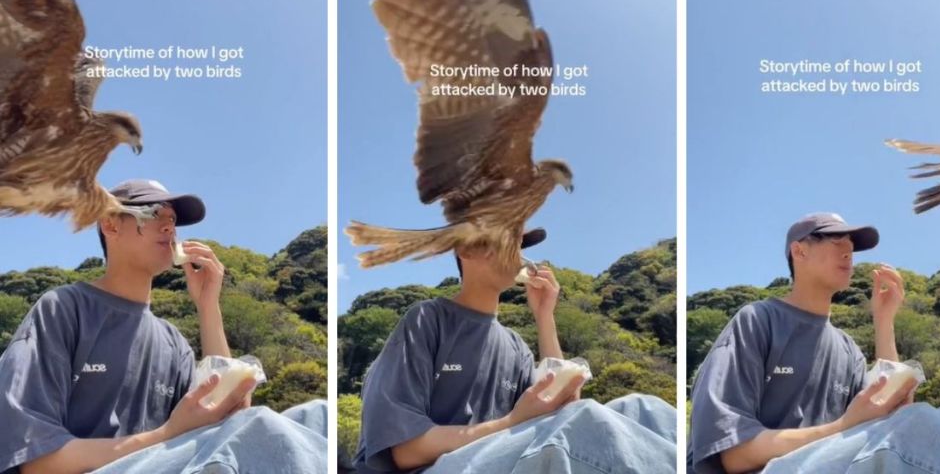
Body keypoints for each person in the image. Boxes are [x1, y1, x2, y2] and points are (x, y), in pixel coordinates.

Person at [0, 179, 327, 474]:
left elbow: (229, 416)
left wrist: (208, 306)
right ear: (111, 225)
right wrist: (166, 435)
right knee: (261, 427)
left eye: (172, 221)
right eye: (155, 214)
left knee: (318, 416)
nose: (169, 228)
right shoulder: (63, 309)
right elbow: (37, 462)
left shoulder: (173, 342)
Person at [687, 212, 940, 473]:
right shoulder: (758, 320)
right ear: (799, 251)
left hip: (837, 460)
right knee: (915, 426)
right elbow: (733, 453)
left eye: (851, 243)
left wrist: (884, 320)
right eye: (834, 240)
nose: (848, 250)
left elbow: (888, 413)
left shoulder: (847, 348)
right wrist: (843, 427)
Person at [353, 228, 678, 474]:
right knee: (584, 422)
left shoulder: (515, 347)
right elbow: (405, 450)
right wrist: (513, 421)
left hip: (501, 460)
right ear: (466, 248)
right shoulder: (428, 319)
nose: (519, 255)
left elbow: (562, 408)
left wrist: (545, 316)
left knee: (643, 408)